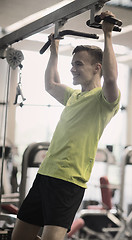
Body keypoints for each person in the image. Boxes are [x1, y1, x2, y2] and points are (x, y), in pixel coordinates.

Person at [11, 10, 121, 240]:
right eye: (72, 64)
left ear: (97, 68)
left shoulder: (104, 100)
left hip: (68, 181)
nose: (72, 68)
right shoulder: (73, 96)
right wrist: (54, 50)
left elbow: (111, 79)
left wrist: (107, 35)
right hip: (45, 175)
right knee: (19, 236)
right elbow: (51, 84)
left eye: (78, 64)